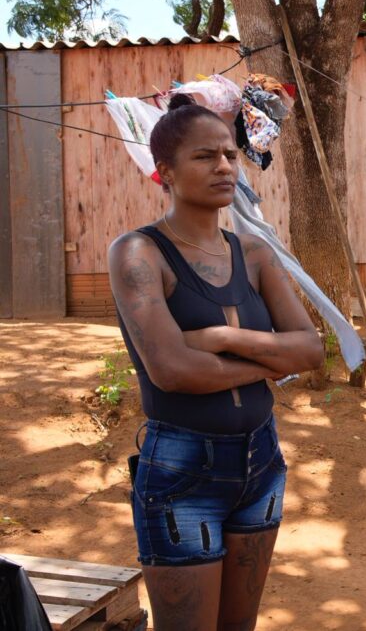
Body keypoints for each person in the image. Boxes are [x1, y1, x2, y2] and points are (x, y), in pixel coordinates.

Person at [108, 94, 323, 631]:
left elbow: (312, 349)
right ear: (165, 173)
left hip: (261, 460)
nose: (225, 165)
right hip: (183, 468)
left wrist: (221, 335)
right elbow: (174, 371)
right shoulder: (139, 253)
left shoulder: (254, 254)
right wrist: (273, 362)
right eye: (205, 156)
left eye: (230, 153)